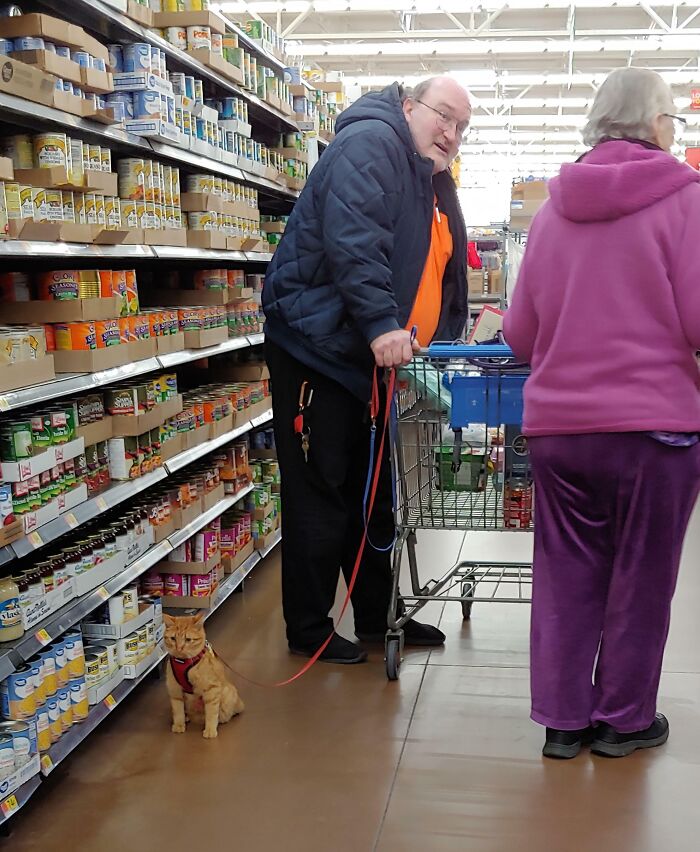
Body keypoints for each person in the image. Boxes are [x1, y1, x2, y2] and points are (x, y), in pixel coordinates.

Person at [503, 67, 700, 759]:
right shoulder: (687, 201)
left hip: (561, 430)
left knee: (567, 574)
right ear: (656, 124)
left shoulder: (554, 211)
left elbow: (521, 335)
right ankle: (623, 719)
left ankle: (563, 720)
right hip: (656, 430)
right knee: (642, 576)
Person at [263, 77, 472, 663]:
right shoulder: (372, 143)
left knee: (374, 491)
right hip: (316, 346)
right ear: (410, 105)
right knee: (321, 490)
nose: (452, 133)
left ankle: (379, 617)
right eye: (444, 117)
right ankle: (308, 629)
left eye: (462, 127)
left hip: (359, 357)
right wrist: (383, 323)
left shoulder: (418, 164)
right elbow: (353, 237)